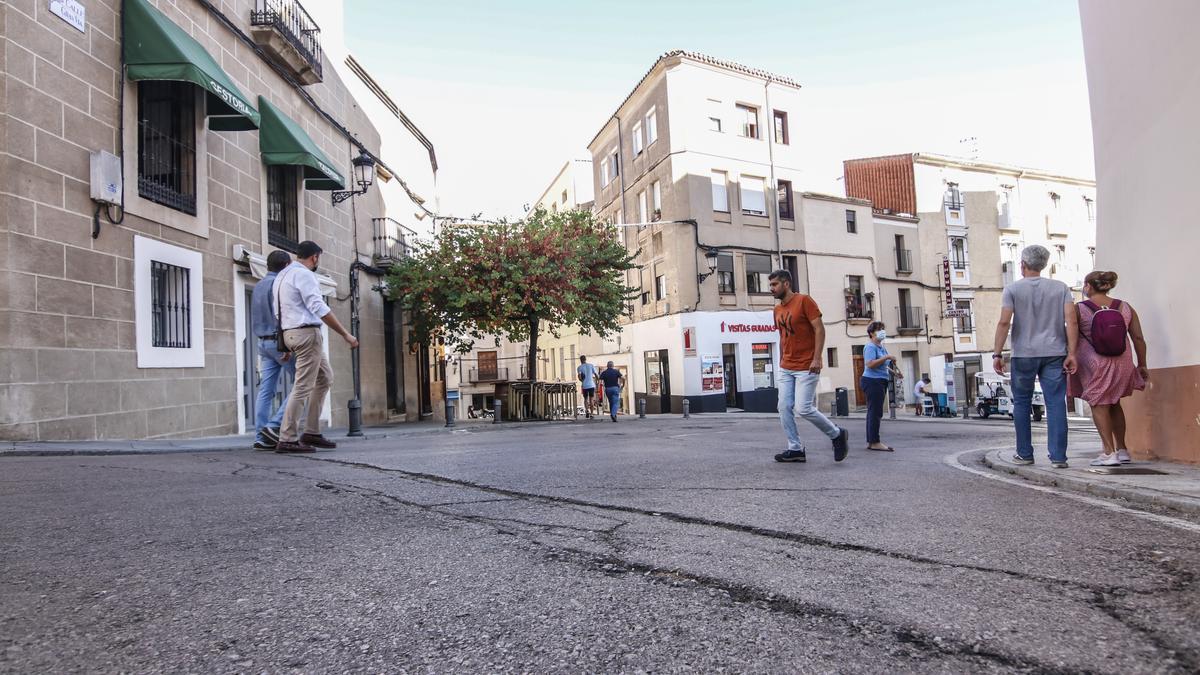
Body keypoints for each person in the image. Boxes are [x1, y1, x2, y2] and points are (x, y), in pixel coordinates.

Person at [992, 245, 1078, 469]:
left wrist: (997, 353)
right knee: (1056, 403)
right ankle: (1059, 457)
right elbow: (1072, 321)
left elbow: (1004, 322)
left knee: (1021, 402)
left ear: (1023, 265)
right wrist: (1072, 353)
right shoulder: (1061, 288)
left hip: (1024, 354)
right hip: (1055, 352)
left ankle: (1025, 453)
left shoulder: (1012, 289)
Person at [272, 240, 359, 453]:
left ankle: (311, 431)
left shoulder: (282, 276)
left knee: (324, 378)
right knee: (302, 386)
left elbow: (279, 311)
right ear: (315, 257)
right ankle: (288, 438)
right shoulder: (304, 274)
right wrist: (346, 334)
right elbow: (318, 306)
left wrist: (285, 342)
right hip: (307, 334)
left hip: (291, 333)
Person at [1068, 271, 1149, 466]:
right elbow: (1138, 338)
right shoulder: (1125, 307)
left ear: (1088, 286)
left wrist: (1071, 354)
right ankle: (1122, 450)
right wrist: (1142, 364)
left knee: (1099, 404)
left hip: (1096, 363)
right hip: (1123, 362)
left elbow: (1071, 332)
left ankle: (1108, 453)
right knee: (1114, 403)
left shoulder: (1079, 309)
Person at [769, 269, 849, 463]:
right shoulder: (777, 310)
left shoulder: (805, 301)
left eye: (774, 284)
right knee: (783, 407)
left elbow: (819, 330)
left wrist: (817, 358)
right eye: (770, 285)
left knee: (803, 408)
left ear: (786, 284)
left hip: (807, 365)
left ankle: (837, 434)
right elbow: (783, 337)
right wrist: (781, 360)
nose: (771, 289)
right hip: (786, 366)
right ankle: (795, 448)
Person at [250, 250, 295, 450]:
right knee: (304, 383)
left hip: (262, 342)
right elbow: (282, 315)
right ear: (286, 265)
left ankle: (261, 436)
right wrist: (286, 344)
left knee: (265, 390)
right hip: (279, 342)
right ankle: (274, 426)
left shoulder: (258, 285)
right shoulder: (279, 285)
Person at [862, 321, 895, 452]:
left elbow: (883, 365)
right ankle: (875, 442)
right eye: (878, 329)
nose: (882, 331)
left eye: (882, 328)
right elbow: (869, 364)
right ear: (871, 333)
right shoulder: (870, 347)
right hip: (872, 381)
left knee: (874, 412)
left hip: (880, 380)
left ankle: (872, 441)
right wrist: (887, 356)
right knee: (875, 412)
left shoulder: (881, 347)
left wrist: (894, 372)